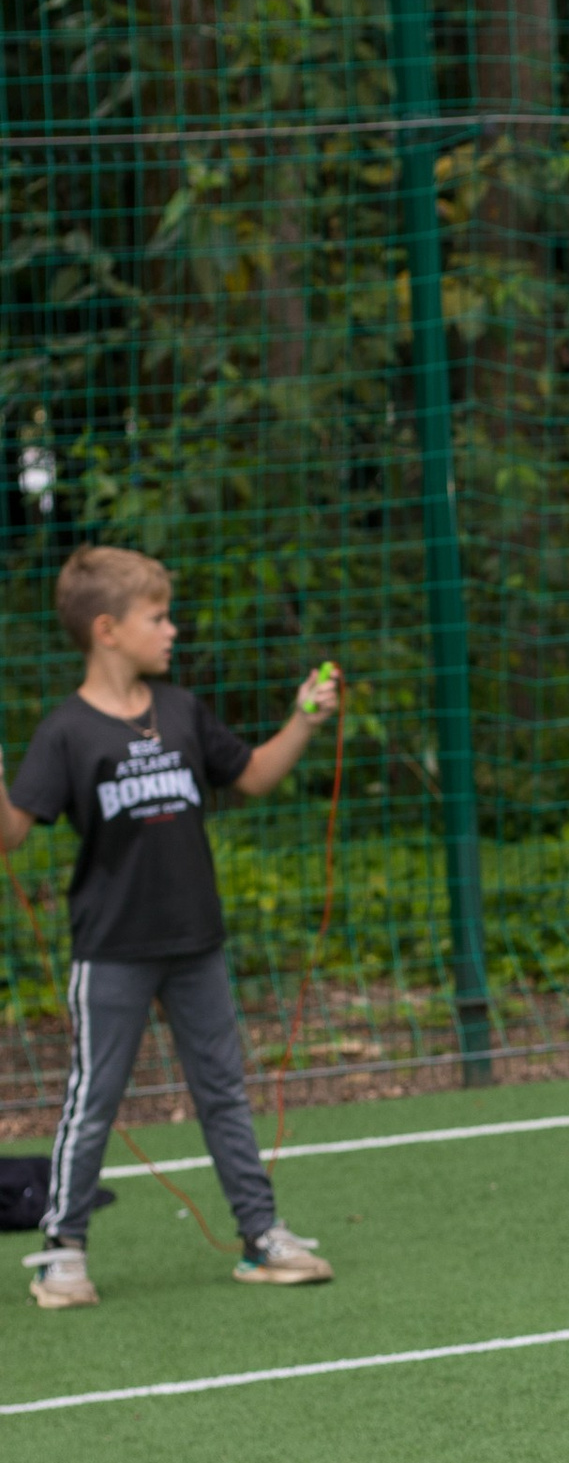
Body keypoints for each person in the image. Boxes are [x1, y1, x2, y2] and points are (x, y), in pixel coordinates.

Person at [0, 544, 339, 1306]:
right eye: (158, 617)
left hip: (198, 944)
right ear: (107, 629)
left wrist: (304, 720)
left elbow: (249, 774)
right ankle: (64, 1252)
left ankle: (262, 1237)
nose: (173, 629)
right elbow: (12, 832)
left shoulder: (181, 710)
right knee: (94, 1100)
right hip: (111, 951)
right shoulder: (65, 732)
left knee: (224, 1091)